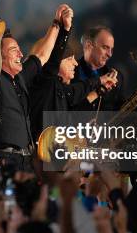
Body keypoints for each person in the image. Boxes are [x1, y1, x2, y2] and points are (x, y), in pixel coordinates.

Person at [0, 4, 73, 172]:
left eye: (20, 50)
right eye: (14, 50)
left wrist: (58, 24)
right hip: (4, 161)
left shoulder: (20, 77)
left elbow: (42, 54)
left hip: (26, 160)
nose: (21, 54)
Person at [29, 13, 118, 142]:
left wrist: (100, 90)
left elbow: (74, 111)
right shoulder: (47, 82)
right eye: (70, 59)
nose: (75, 63)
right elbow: (78, 88)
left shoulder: (61, 89)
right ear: (57, 61)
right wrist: (64, 28)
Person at [73, 26, 137, 112]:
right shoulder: (69, 72)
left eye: (111, 50)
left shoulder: (117, 78)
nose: (109, 54)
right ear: (89, 45)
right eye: (105, 47)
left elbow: (122, 111)